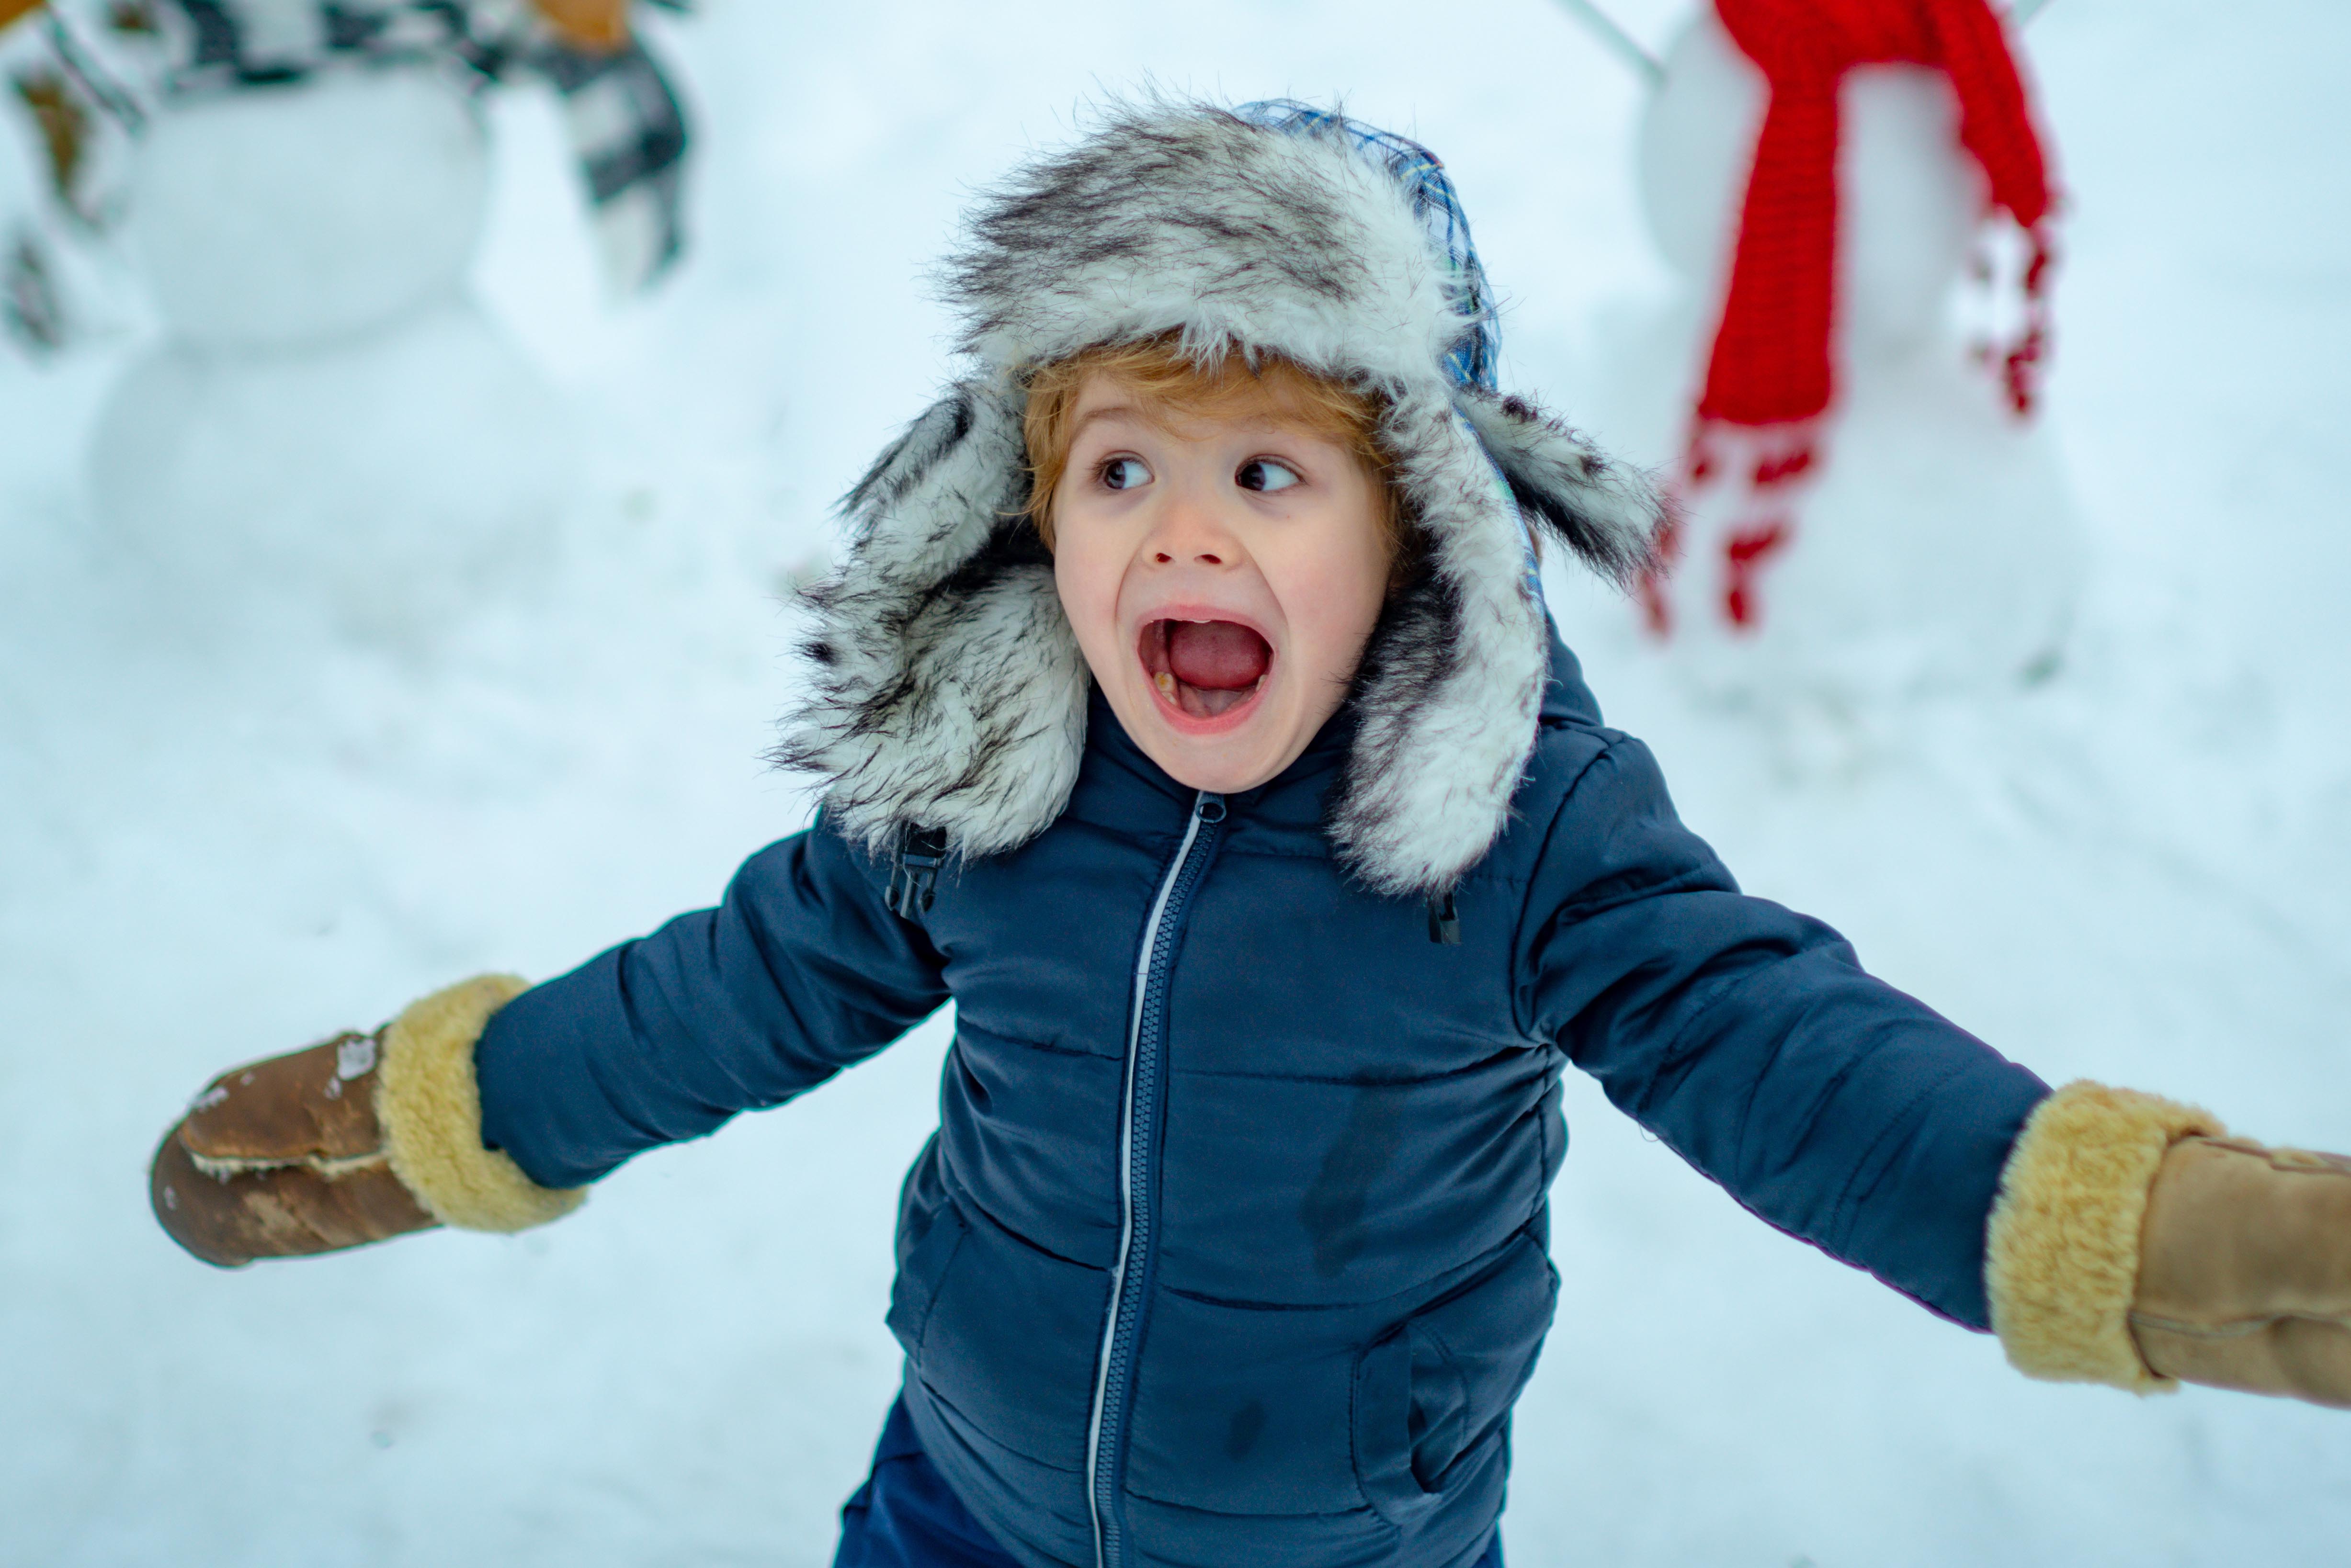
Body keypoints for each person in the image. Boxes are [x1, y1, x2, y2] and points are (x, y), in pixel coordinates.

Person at [149, 101, 2351, 1568]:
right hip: (959, 1507)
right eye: (1123, 470)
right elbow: (714, 1000)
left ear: (1422, 516)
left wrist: (2153, 1242)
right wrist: (428, 1118)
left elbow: (1789, 1057)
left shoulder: (1523, 834)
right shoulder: (981, 788)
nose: (1182, 527)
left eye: (1269, 475)